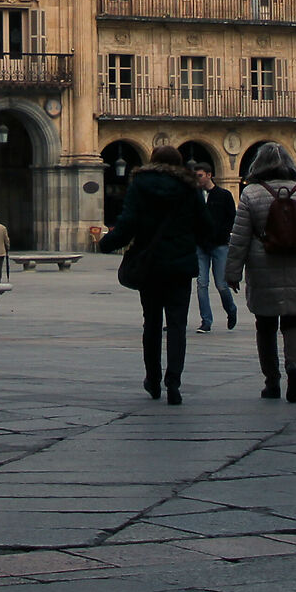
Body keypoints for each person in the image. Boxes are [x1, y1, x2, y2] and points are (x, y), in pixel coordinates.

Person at [96, 145, 209, 402]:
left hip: (150, 265)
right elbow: (205, 225)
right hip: (180, 266)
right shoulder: (189, 187)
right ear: (180, 163)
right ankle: (174, 383)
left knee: (152, 323)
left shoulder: (141, 184)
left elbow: (128, 222)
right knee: (178, 325)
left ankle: (153, 379)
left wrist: (107, 243)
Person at [221, 141, 296, 403]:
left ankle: (272, 381)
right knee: (294, 322)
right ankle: (294, 366)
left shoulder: (251, 194)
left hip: (263, 266)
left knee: (265, 325)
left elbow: (240, 238)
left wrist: (232, 272)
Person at [190, 165, 238, 332]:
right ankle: (206, 321)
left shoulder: (224, 195)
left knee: (221, 284)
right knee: (201, 283)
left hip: (219, 245)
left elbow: (231, 218)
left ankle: (231, 309)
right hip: (200, 246)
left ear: (209, 175)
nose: (198, 179)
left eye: (200, 175)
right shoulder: (195, 197)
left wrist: (222, 235)